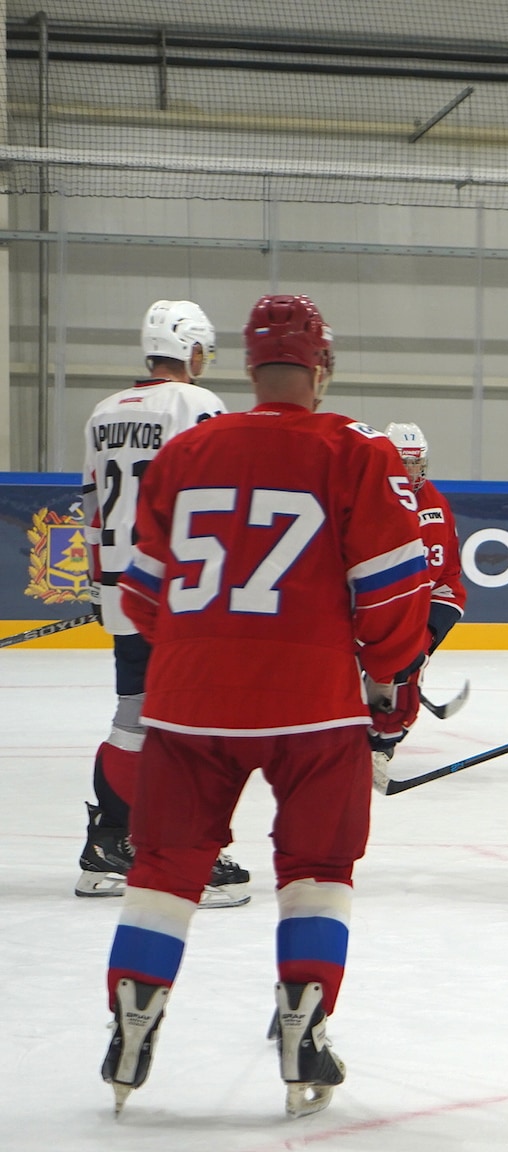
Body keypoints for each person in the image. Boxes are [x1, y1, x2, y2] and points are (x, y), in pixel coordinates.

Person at [99, 294, 431, 1118]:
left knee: (163, 866)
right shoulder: (356, 450)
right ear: (323, 368)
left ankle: (132, 1021)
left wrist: (198, 651)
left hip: (186, 703)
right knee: (318, 869)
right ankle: (303, 1029)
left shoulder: (188, 450)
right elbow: (394, 593)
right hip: (313, 706)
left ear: (248, 366)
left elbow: (141, 597)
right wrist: (387, 674)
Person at [76, 300, 252, 907]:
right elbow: (218, 500)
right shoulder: (196, 405)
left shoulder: (104, 412)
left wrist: (101, 583)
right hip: (179, 589)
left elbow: (91, 503)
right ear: (190, 349)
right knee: (195, 721)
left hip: (122, 585)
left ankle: (110, 843)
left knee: (135, 713)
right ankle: (183, 851)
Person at [366, 422, 468, 786]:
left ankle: (380, 747)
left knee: (402, 675)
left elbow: (445, 579)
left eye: (416, 463)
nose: (411, 472)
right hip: (371, 608)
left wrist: (419, 639)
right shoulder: (363, 496)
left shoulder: (435, 505)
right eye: (403, 463)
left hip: (422, 608)